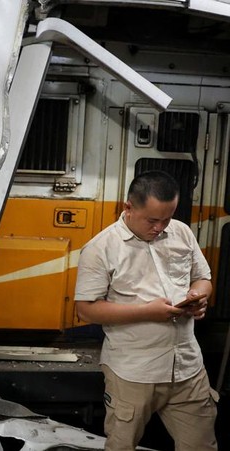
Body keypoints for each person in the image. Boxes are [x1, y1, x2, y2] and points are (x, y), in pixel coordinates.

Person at [74, 170, 219, 450]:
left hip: (187, 368)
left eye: (167, 218)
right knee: (122, 446)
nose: (160, 227)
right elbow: (86, 310)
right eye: (152, 220)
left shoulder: (181, 232)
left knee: (202, 446)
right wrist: (147, 312)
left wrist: (198, 296)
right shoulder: (100, 249)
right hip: (133, 372)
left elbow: (204, 278)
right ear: (128, 207)